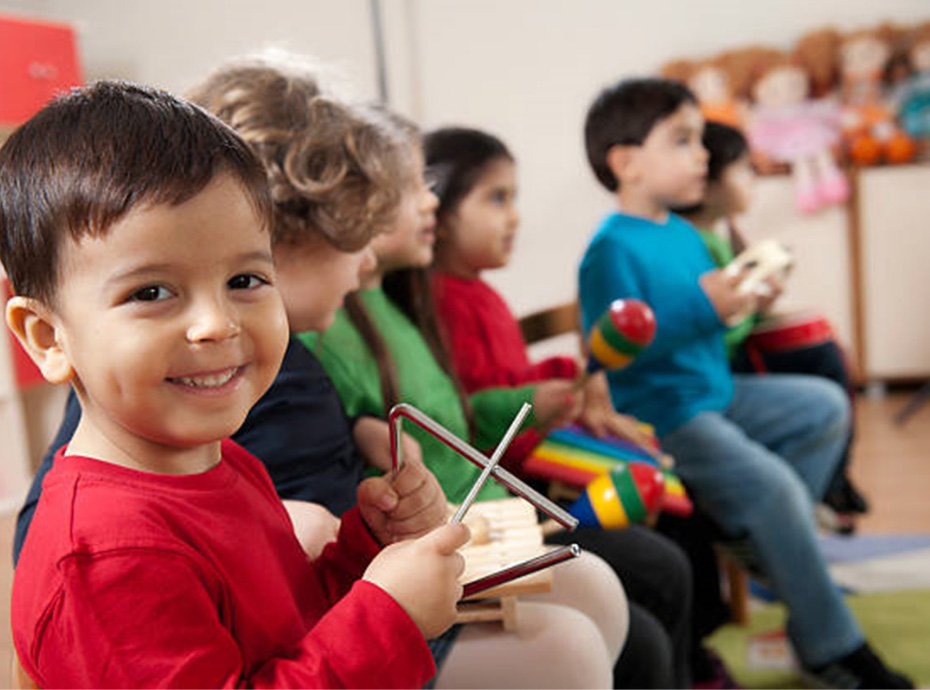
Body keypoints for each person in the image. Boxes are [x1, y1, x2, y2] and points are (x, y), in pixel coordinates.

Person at [13, 59, 620, 689]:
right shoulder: (106, 558)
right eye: (151, 292)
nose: (217, 324)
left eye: (244, 279)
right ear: (48, 338)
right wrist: (388, 616)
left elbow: (293, 629)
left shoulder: (223, 463)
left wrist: (368, 552)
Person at [309, 113, 695, 689]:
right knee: (645, 618)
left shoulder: (394, 305)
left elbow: (456, 421)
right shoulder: (332, 329)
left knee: (657, 575)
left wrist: (537, 397)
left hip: (493, 509)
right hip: (466, 527)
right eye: (413, 187)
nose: (431, 202)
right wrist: (365, 430)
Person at [578, 75, 913, 689]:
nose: (702, 155)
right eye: (683, 140)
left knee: (824, 406)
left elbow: (709, 323)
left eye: (699, 140)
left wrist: (746, 300)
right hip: (665, 416)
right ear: (626, 163)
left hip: (717, 396)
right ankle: (829, 647)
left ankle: (757, 541)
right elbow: (614, 355)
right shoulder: (610, 250)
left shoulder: (683, 234)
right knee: (777, 491)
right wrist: (706, 307)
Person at [425, 124, 742, 689]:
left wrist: (565, 377)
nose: (515, 216)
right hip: (521, 480)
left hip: (533, 461)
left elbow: (506, 378)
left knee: (676, 503)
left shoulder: (481, 292)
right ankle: (687, 664)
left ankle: (692, 657)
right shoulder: (444, 303)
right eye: (497, 199)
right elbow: (473, 411)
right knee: (665, 552)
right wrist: (540, 397)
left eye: (514, 198)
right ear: (440, 213)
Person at [675, 120, 868, 524]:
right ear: (708, 185)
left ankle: (827, 485)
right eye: (743, 169)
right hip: (717, 369)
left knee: (824, 348)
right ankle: (822, 490)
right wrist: (751, 306)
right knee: (823, 356)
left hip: (723, 360)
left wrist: (757, 301)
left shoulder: (717, 233)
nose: (753, 179)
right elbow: (718, 331)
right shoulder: (696, 243)